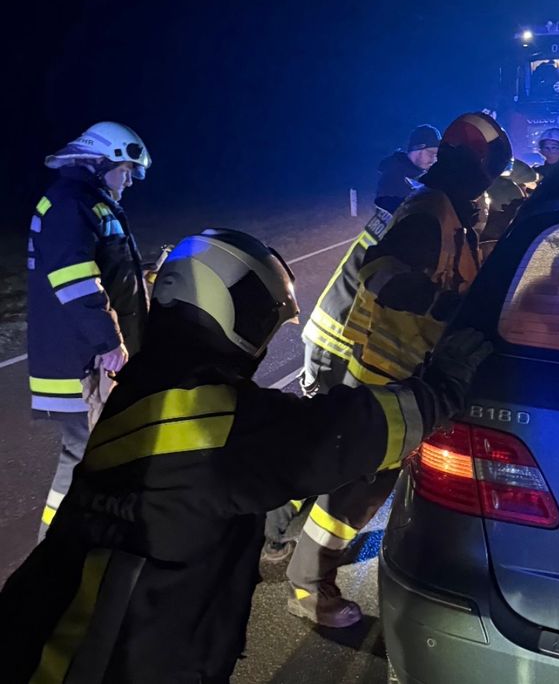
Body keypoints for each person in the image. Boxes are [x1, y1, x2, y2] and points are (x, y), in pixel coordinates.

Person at [0, 229, 491, 684]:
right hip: (109, 658)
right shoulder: (211, 419)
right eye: (263, 315)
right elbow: (341, 435)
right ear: (228, 304)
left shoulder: (147, 385)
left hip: (52, 631)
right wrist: (441, 389)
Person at [285, 112, 512, 627]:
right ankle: (308, 585)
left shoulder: (447, 209)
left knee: (342, 473)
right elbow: (381, 272)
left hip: (395, 371)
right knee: (356, 488)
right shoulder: (430, 212)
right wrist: (439, 307)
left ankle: (286, 551)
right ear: (478, 163)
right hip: (384, 374)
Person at [27, 122, 151, 541]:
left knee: (100, 452)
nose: (130, 180)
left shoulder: (91, 203)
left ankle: (85, 541)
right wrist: (108, 340)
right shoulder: (69, 204)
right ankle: (54, 551)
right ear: (102, 162)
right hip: (79, 362)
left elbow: (105, 272)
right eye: (127, 170)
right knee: (84, 455)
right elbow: (75, 282)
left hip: (89, 356)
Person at [375, 124, 441, 214]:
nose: (434, 159)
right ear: (417, 149)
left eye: (437, 155)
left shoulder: (426, 176)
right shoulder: (393, 174)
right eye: (431, 153)